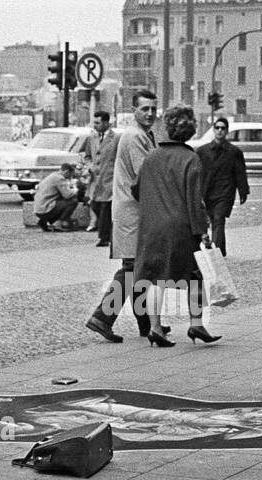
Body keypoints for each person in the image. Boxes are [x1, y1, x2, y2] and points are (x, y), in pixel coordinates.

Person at [134, 104, 217, 347]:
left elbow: (136, 190)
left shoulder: (151, 158)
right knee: (194, 276)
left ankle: (156, 328)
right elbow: (195, 200)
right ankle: (196, 324)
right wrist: (203, 231)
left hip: (152, 227)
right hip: (180, 228)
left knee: (156, 278)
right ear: (190, 130)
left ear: (168, 128)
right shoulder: (191, 159)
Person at [84, 89, 159, 344]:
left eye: (153, 108)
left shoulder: (143, 134)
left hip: (133, 210)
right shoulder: (135, 136)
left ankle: (145, 324)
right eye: (144, 109)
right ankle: (102, 317)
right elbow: (145, 176)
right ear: (134, 110)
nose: (150, 113)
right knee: (131, 268)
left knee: (138, 267)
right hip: (132, 211)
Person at [196, 116, 250, 257]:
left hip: (224, 193)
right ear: (214, 130)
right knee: (205, 222)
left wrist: (243, 191)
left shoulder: (234, 152)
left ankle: (217, 252)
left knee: (219, 220)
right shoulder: (202, 151)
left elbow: (240, 173)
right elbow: (195, 173)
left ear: (227, 131)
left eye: (223, 128)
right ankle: (209, 248)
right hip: (206, 191)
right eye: (217, 128)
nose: (220, 131)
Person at [87, 110, 117, 248]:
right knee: (95, 206)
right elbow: (87, 156)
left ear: (106, 123)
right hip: (95, 181)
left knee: (105, 209)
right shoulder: (92, 138)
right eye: (94, 122)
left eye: (98, 122)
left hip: (109, 179)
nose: (95, 125)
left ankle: (104, 238)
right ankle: (108, 234)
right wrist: (88, 166)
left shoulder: (116, 138)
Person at [33, 163, 81, 231]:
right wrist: (76, 189)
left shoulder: (53, 175)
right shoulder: (60, 178)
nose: (71, 177)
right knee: (73, 201)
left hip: (38, 209)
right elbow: (67, 195)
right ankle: (58, 223)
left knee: (61, 201)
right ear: (66, 172)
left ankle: (43, 221)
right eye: (71, 174)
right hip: (46, 209)